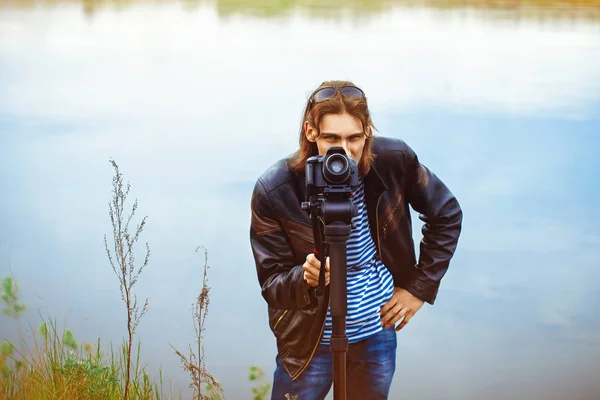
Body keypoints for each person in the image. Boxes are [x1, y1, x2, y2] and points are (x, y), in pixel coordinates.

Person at [249, 80, 462, 400]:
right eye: (331, 138)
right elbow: (272, 286)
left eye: (354, 138)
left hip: (376, 332)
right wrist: (304, 278)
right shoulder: (274, 189)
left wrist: (419, 287)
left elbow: (446, 214)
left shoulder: (394, 160)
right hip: (309, 342)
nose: (344, 151)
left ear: (367, 133)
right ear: (310, 132)